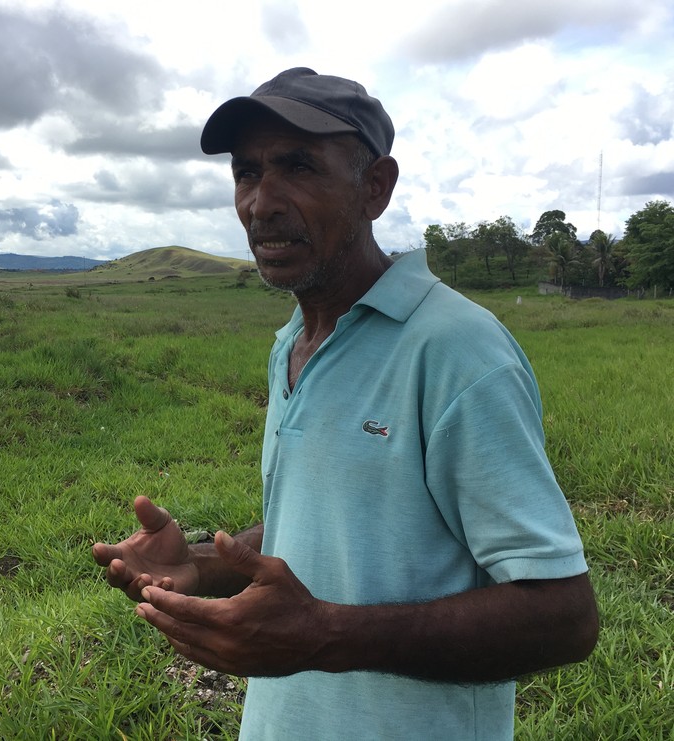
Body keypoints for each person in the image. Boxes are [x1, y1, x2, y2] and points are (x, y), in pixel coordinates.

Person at [92, 67, 598, 739]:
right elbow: (325, 529)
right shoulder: (290, 346)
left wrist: (325, 636)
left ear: (375, 188)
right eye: (246, 173)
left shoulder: (457, 350)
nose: (260, 202)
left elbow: (564, 614)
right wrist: (201, 563)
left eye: (297, 166)